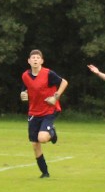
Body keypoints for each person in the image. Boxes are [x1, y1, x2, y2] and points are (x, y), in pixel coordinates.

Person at [19, 49, 68, 179]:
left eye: (37, 58)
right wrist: (23, 94)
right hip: (34, 112)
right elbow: (25, 88)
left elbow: (64, 82)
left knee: (42, 138)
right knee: (35, 145)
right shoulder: (25, 76)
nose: (35, 59)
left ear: (41, 61)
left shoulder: (48, 74)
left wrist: (55, 97)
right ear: (29, 61)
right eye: (33, 58)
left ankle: (52, 132)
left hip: (49, 110)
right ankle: (45, 172)